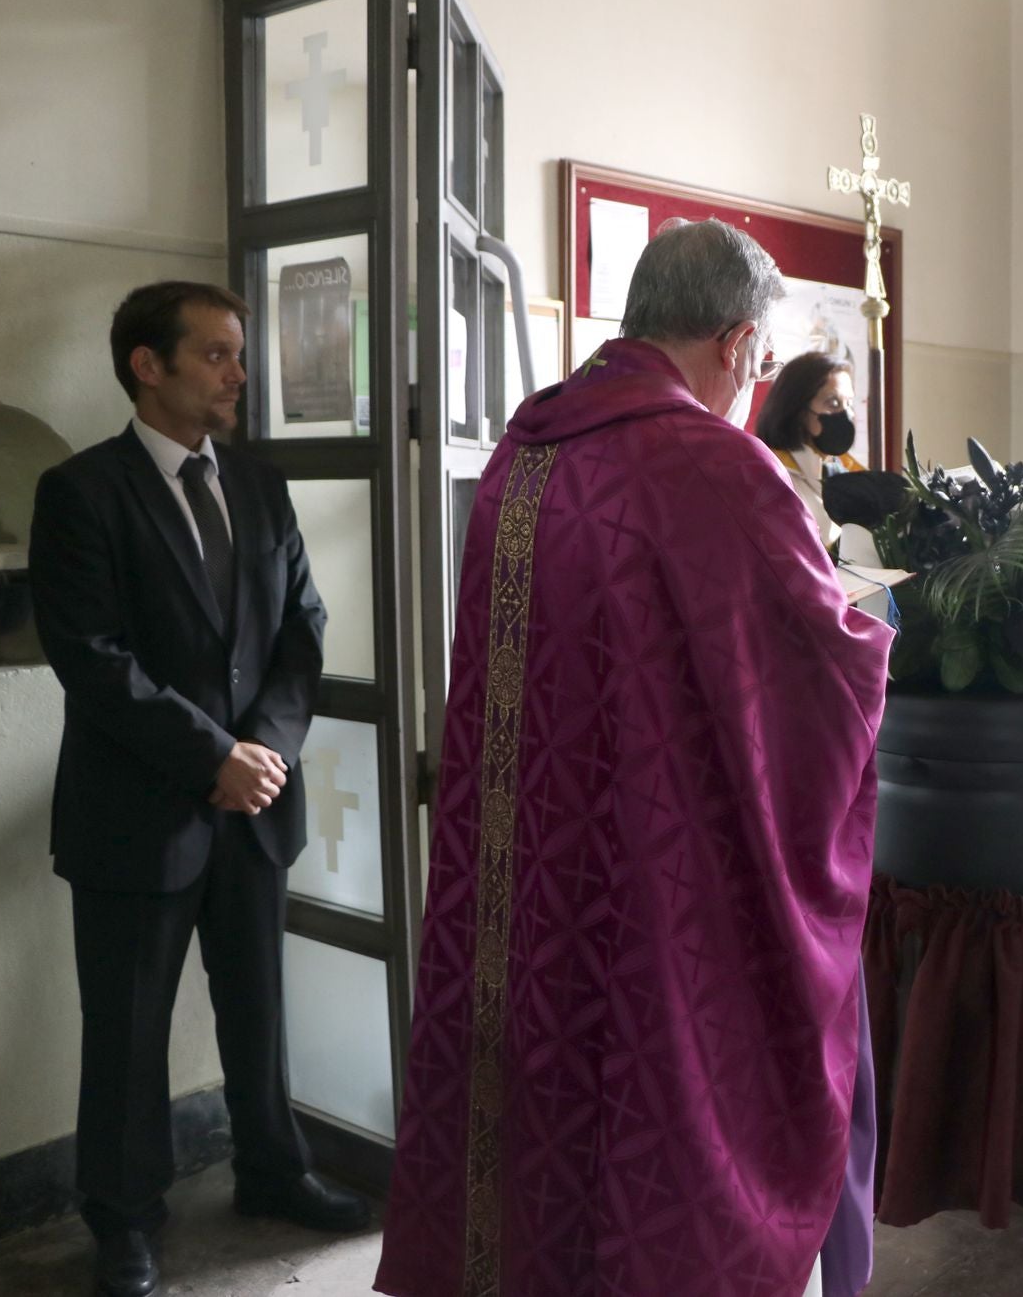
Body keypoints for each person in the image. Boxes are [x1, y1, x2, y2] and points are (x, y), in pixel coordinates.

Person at [376, 220, 893, 1297]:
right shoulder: (716, 467)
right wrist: (876, 634)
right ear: (738, 340)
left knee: (539, 1130)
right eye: (756, 360)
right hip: (668, 882)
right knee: (670, 1111)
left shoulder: (528, 449)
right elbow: (821, 672)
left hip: (527, 875)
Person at [28, 281, 365, 1297]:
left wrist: (261, 748)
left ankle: (272, 1166)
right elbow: (91, 657)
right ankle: (124, 1220)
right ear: (148, 364)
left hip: (252, 807)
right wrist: (208, 754)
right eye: (215, 354)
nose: (238, 373)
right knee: (126, 1029)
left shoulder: (260, 483)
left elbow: (302, 625)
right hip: (138, 814)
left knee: (257, 1004)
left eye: (237, 354)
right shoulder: (81, 491)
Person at [755, 351, 866, 543]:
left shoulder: (846, 470)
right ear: (798, 410)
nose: (846, 414)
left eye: (849, 403)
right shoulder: (774, 476)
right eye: (833, 403)